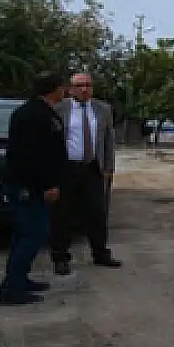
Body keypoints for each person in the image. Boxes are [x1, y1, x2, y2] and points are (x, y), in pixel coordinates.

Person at [0, 71, 68, 306]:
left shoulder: (39, 112)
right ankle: (11, 290)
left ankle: (18, 280)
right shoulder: (33, 115)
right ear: (54, 89)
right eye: (62, 86)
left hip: (31, 185)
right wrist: (47, 185)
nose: (64, 90)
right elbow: (32, 157)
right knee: (32, 235)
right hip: (28, 187)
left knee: (24, 235)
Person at [50, 72, 121, 276]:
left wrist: (108, 168)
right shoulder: (59, 109)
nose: (84, 89)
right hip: (66, 168)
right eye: (79, 85)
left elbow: (108, 141)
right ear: (70, 88)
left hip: (93, 168)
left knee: (97, 213)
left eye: (88, 85)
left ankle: (101, 253)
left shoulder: (103, 109)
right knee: (61, 214)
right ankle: (61, 258)